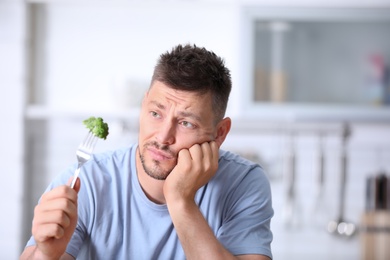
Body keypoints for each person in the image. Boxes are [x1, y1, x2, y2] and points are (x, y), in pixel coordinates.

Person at [20, 44, 274, 260]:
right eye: (155, 113)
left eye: (186, 123)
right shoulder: (86, 181)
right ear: (143, 106)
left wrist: (180, 200)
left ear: (219, 133)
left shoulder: (243, 183)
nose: (163, 137)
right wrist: (46, 253)